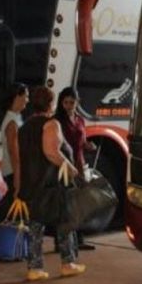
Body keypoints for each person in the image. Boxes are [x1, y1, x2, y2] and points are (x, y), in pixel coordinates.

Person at [18, 86, 85, 281]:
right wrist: (71, 168)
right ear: (51, 104)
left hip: (32, 183)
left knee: (36, 226)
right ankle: (68, 263)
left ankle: (34, 268)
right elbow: (51, 152)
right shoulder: (51, 124)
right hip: (51, 183)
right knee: (65, 221)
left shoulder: (25, 127)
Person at [55, 87, 97, 251]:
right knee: (65, 205)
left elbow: (83, 141)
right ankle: (62, 242)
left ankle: (79, 239)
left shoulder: (79, 120)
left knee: (79, 203)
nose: (68, 106)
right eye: (65, 102)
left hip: (79, 163)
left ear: (77, 102)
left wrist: (89, 146)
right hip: (65, 165)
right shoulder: (57, 120)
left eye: (72, 102)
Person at [0, 83, 29, 229]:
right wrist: (18, 181)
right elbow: (15, 155)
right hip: (13, 171)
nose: (27, 100)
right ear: (17, 97)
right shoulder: (12, 123)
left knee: (11, 205)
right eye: (26, 96)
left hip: (11, 170)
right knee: (11, 204)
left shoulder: (14, 118)